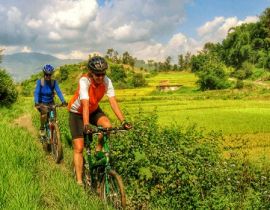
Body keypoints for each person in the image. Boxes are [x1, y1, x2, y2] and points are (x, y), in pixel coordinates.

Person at [68, 56, 131, 185]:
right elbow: (85, 104)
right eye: (97, 74)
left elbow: (113, 101)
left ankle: (98, 150)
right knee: (79, 147)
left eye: (103, 74)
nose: (100, 77)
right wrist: (86, 125)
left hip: (93, 110)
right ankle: (79, 181)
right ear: (91, 73)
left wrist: (123, 121)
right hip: (77, 113)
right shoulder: (84, 81)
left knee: (107, 125)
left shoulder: (107, 81)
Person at [34, 64, 67, 136]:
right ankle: (42, 128)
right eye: (46, 74)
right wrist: (36, 103)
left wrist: (63, 101)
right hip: (41, 102)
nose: (48, 76)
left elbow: (58, 91)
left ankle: (54, 134)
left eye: (49, 75)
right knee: (44, 115)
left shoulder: (53, 82)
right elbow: (36, 92)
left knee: (54, 119)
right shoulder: (40, 82)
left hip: (51, 102)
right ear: (44, 74)